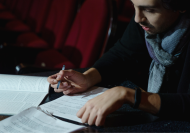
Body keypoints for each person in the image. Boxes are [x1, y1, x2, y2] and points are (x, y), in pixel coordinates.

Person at [47, 0, 190, 126]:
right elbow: (123, 54)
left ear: (181, 5)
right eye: (134, 6)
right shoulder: (147, 23)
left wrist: (130, 96)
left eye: (149, 10)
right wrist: (87, 78)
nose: (137, 18)